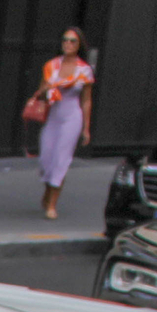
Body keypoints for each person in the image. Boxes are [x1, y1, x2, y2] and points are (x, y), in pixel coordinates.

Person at [33, 27, 94, 221]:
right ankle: (48, 190)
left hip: (71, 117)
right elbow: (40, 93)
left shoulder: (84, 70)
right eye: (65, 40)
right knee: (46, 159)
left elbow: (86, 99)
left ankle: (52, 204)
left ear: (79, 45)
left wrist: (86, 127)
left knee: (61, 160)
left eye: (72, 41)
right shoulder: (51, 65)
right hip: (53, 116)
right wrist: (47, 89)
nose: (68, 44)